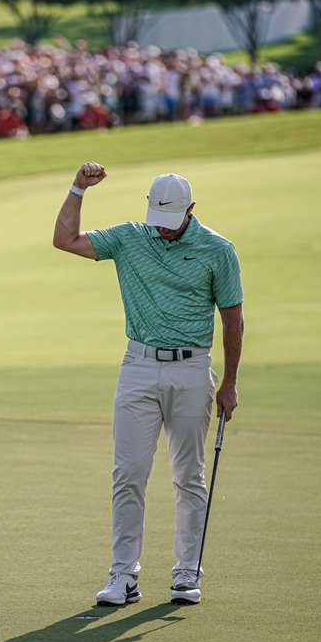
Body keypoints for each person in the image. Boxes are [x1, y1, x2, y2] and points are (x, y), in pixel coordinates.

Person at [53, 163, 244, 606]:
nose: (164, 231)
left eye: (172, 222)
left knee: (189, 477)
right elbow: (65, 240)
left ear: (190, 210)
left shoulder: (218, 250)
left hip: (193, 368)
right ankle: (123, 576)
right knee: (128, 475)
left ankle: (186, 571)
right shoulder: (130, 237)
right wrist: (78, 189)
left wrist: (229, 382)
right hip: (137, 365)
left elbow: (232, 317)